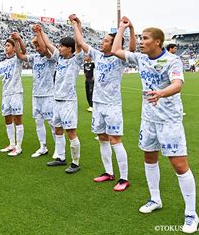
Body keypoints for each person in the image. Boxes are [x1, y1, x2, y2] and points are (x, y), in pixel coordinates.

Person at [111, 16, 199, 234]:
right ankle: (155, 199)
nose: (141, 41)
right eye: (140, 38)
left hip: (169, 120)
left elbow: (177, 84)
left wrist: (161, 92)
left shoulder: (172, 60)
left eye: (145, 38)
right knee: (149, 158)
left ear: (158, 42)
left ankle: (191, 213)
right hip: (148, 119)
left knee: (179, 165)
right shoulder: (141, 58)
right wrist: (124, 28)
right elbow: (115, 51)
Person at [73, 14, 135, 191]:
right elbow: (81, 41)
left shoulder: (119, 58)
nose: (102, 42)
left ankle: (124, 178)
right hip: (98, 105)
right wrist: (76, 24)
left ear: (114, 44)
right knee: (102, 138)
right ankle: (109, 172)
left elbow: (131, 47)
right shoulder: (97, 55)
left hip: (112, 105)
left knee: (116, 140)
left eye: (106, 41)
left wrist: (129, 28)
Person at [41, 15, 83, 174]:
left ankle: (75, 162)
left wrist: (76, 24)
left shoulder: (76, 60)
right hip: (56, 100)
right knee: (58, 129)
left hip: (68, 101)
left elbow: (79, 43)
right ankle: (60, 157)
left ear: (69, 48)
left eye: (62, 46)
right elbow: (48, 44)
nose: (59, 48)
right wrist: (41, 31)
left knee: (71, 132)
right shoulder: (59, 58)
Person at [14, 24, 57, 158]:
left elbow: (45, 50)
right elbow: (20, 56)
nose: (37, 49)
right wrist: (17, 41)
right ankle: (42, 146)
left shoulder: (51, 57)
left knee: (52, 123)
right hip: (36, 95)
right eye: (36, 46)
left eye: (39, 45)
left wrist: (38, 32)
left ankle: (58, 148)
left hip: (48, 95)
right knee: (38, 122)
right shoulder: (35, 57)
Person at [167, 43, 186, 116]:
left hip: (174, 79)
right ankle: (178, 112)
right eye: (175, 48)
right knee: (175, 97)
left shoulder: (175, 57)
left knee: (176, 97)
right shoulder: (172, 58)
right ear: (170, 49)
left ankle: (178, 111)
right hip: (171, 80)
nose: (176, 49)